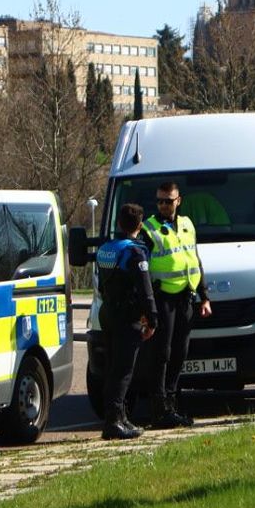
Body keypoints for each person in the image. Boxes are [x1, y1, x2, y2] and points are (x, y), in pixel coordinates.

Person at [141, 181, 214, 428]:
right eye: (159, 200)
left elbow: (195, 259)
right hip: (162, 298)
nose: (163, 205)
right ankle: (159, 409)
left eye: (168, 201)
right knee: (162, 353)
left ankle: (171, 404)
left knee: (180, 351)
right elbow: (141, 269)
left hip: (186, 296)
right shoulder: (149, 229)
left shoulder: (187, 225)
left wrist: (204, 296)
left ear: (178, 201)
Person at [95, 203, 157, 440]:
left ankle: (118, 417)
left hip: (108, 312)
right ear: (140, 226)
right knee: (123, 371)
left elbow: (102, 284)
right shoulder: (134, 252)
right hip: (126, 316)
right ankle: (113, 422)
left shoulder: (106, 248)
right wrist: (152, 319)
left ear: (119, 223)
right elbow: (145, 290)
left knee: (112, 367)